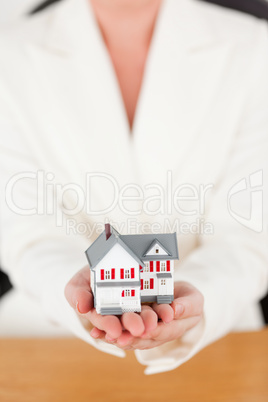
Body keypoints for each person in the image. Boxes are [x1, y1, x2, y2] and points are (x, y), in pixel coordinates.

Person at [0, 0, 267, 375]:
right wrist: (75, 291)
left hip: (221, 342)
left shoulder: (254, 49)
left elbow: (245, 238)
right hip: (44, 343)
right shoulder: (7, 54)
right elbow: (26, 233)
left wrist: (197, 296)